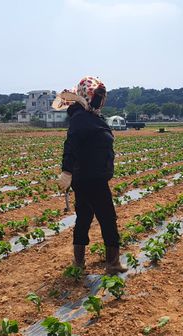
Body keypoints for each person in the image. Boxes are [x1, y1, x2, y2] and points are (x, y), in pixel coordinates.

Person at [54, 76, 127, 274]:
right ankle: (112, 263)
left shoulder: (91, 116)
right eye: (99, 96)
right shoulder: (81, 118)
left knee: (84, 217)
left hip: (89, 177)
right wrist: (66, 171)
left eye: (103, 96)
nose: (101, 100)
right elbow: (71, 145)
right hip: (91, 178)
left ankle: (79, 263)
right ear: (88, 96)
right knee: (108, 218)